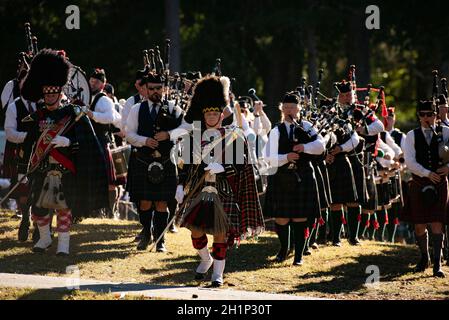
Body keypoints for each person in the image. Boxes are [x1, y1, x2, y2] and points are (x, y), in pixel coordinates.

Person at [176, 75, 264, 287]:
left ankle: (218, 274)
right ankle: (205, 259)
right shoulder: (193, 136)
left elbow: (242, 165)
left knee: (220, 234)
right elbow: (185, 165)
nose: (212, 117)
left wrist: (223, 167)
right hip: (198, 189)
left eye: (216, 113)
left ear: (221, 115)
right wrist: (180, 185)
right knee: (195, 230)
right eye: (209, 113)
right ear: (204, 115)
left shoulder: (233, 136)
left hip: (223, 189)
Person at [20, 49, 109, 255]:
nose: (50, 97)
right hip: (42, 167)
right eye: (47, 94)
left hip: (65, 169)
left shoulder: (74, 114)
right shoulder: (37, 116)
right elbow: (29, 145)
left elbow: (87, 144)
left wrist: (68, 141)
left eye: (53, 93)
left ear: (61, 93)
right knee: (38, 209)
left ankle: (63, 246)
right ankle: (44, 240)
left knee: (63, 208)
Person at [264, 92, 325, 265]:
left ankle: (298, 255)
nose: (288, 110)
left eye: (292, 107)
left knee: (300, 217)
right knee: (281, 217)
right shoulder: (276, 130)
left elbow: (320, 146)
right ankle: (284, 249)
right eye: (286, 107)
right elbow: (268, 157)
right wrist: (286, 157)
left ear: (299, 109)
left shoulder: (307, 127)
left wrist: (304, 147)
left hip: (303, 175)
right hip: (282, 177)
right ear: (281, 109)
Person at [125, 71, 184, 252]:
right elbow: (129, 134)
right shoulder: (137, 109)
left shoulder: (173, 108)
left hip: (165, 161)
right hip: (143, 161)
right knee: (144, 202)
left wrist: (168, 134)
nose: (156, 91)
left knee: (161, 202)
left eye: (159, 88)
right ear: (146, 90)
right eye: (152, 88)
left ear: (164, 88)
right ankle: (146, 233)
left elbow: (187, 128)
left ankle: (160, 240)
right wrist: (144, 141)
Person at [402, 100, 448, 277]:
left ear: (436, 115)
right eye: (422, 114)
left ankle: (437, 264)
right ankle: (424, 257)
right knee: (419, 225)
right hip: (420, 182)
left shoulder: (445, 132)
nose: (426, 118)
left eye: (430, 114)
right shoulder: (411, 135)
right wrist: (427, 173)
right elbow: (410, 162)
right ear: (418, 116)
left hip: (440, 183)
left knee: (437, 222)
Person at [3, 71, 39, 242]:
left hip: (39, 152)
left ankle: (39, 225)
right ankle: (25, 219)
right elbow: (10, 133)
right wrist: (28, 137)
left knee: (39, 187)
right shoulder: (14, 106)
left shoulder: (42, 105)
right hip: (20, 152)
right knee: (23, 190)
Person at [88, 69, 122, 213]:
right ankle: (93, 209)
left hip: (102, 141)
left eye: (97, 82)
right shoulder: (85, 97)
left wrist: (92, 114)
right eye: (91, 81)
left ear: (103, 84)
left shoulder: (104, 100)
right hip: (89, 142)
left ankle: (111, 210)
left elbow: (109, 118)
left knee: (109, 181)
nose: (93, 84)